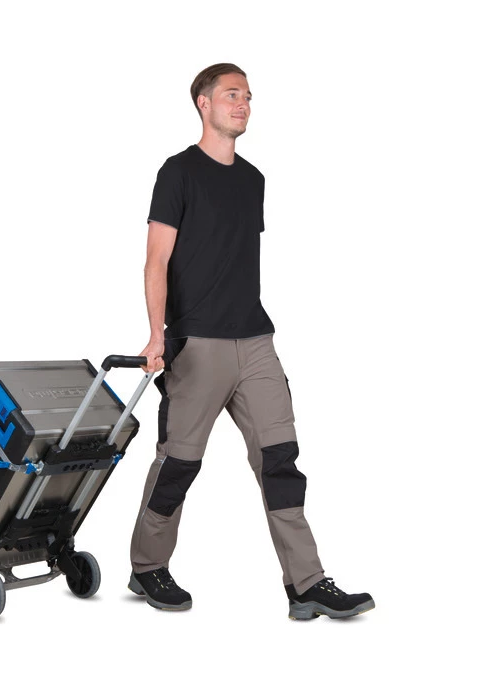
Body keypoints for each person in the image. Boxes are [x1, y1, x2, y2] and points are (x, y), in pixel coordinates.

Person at [127, 63, 374, 619]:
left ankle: (307, 584)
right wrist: (156, 334)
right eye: (232, 94)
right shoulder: (177, 172)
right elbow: (156, 260)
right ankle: (147, 566)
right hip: (198, 344)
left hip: (256, 340)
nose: (243, 104)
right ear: (203, 103)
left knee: (281, 460)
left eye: (248, 96)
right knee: (179, 464)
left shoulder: (253, 179)